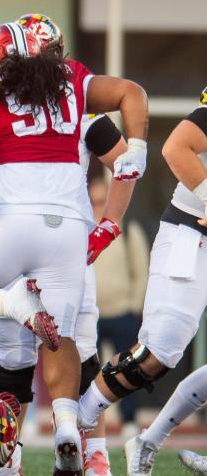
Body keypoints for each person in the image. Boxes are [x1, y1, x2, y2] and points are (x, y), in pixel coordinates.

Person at [0, 21, 148, 476]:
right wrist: (106, 225)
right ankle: (80, 445)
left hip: (10, 226)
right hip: (67, 235)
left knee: (17, 349)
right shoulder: (78, 92)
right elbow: (126, 164)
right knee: (70, 342)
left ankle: (13, 461)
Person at [112, 89, 207, 476]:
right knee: (161, 349)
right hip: (192, 231)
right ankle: (83, 420)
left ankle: (147, 440)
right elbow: (176, 148)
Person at [89, 176, 149, 437]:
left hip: (123, 312)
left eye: (103, 201)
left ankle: (129, 421)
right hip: (92, 315)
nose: (98, 206)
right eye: (93, 202)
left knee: (128, 370)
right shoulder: (83, 233)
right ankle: (88, 421)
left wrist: (135, 305)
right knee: (86, 370)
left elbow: (142, 271)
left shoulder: (127, 231)